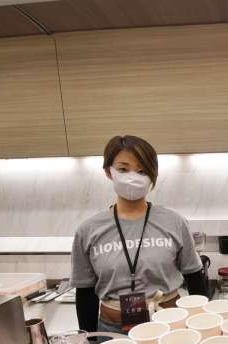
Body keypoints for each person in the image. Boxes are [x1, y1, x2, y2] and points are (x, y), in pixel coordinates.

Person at [71, 135, 206, 333]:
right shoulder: (88, 230)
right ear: (109, 172)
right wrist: (89, 341)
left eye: (142, 170)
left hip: (170, 325)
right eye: (123, 169)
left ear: (152, 175)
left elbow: (194, 277)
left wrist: (202, 325)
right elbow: (85, 293)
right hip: (111, 331)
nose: (133, 176)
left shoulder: (174, 222)